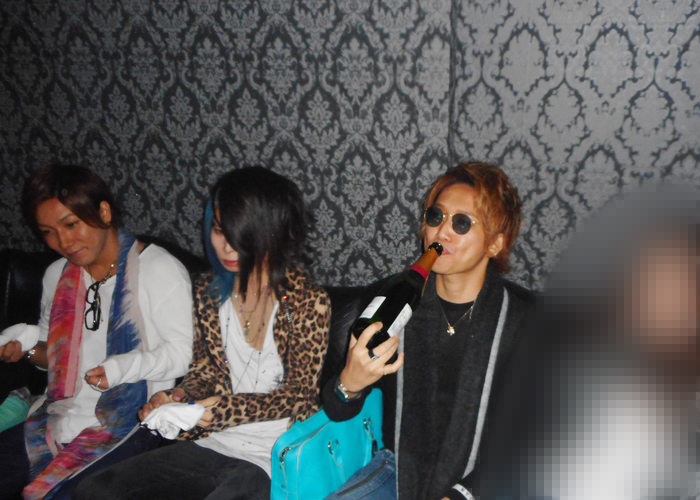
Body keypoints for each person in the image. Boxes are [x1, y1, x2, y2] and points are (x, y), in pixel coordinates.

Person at [75, 166, 331, 500]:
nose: (228, 248)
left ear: (274, 233)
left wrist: (221, 411)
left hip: (274, 454)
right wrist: (177, 398)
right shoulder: (208, 292)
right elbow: (205, 372)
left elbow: (299, 395)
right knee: (94, 491)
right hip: (213, 441)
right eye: (220, 231)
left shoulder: (307, 301)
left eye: (243, 235)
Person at [322, 161, 535, 500]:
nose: (442, 232)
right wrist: (350, 383)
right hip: (396, 474)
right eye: (436, 217)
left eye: (462, 223)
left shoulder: (525, 323)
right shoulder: (389, 301)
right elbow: (336, 410)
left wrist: (462, 494)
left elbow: (532, 441)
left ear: (495, 244)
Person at [0, 164, 194, 500]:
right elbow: (50, 355)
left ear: (103, 212)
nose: (63, 242)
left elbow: (183, 354)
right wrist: (26, 348)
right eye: (48, 232)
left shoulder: (158, 269)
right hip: (56, 416)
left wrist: (120, 368)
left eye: (71, 224)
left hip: (130, 422)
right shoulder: (57, 275)